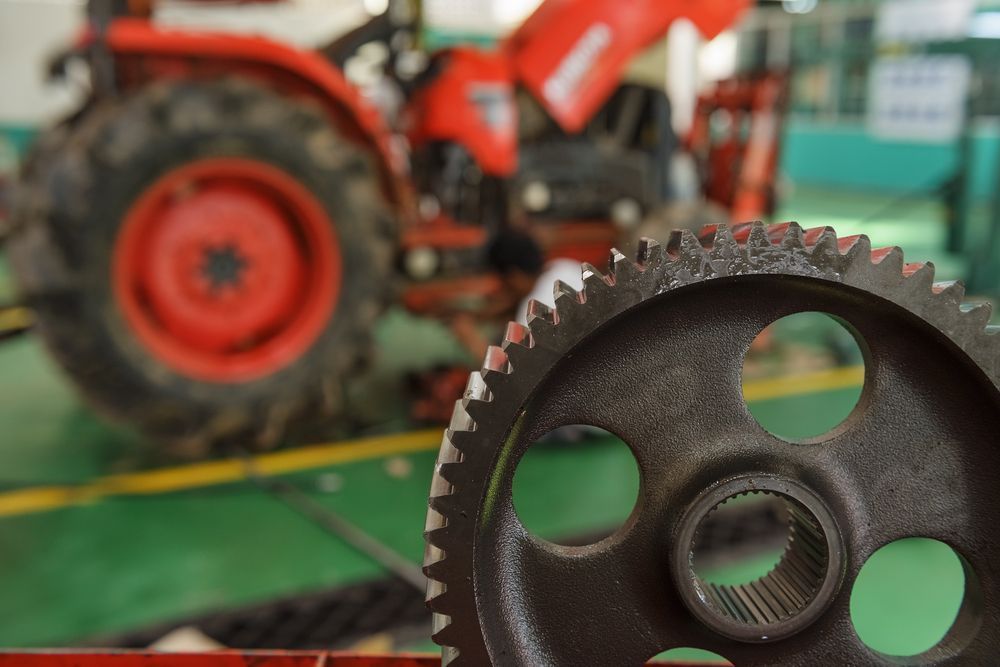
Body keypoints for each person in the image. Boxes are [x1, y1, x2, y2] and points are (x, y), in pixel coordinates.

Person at [450, 228, 582, 361]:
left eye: (504, 282)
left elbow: (526, 375)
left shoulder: (531, 315)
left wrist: (470, 339)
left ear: (514, 276)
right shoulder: (565, 266)